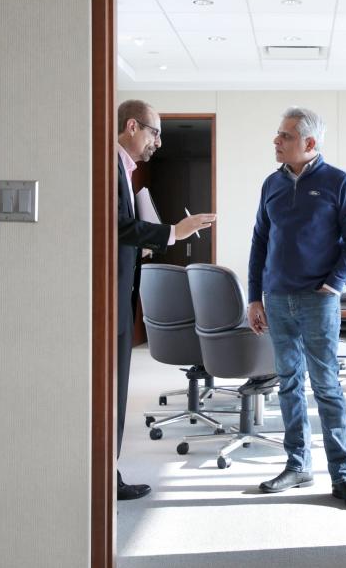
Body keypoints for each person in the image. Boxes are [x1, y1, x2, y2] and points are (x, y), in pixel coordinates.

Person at [246, 106, 346, 509]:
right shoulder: (271, 184)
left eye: (284, 135)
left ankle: (342, 475)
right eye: (278, 134)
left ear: (309, 143)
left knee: (328, 388)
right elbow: (259, 244)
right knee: (289, 384)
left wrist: (334, 284)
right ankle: (298, 464)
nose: (276, 141)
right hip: (278, 299)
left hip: (319, 301)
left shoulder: (340, 182)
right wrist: (254, 297)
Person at [116, 99, 215, 500]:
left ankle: (110, 472)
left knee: (117, 387)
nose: (158, 141)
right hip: (112, 297)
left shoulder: (125, 170)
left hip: (122, 290)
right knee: (113, 389)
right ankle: (108, 476)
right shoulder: (109, 166)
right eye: (155, 132)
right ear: (133, 125)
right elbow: (120, 226)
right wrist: (175, 231)